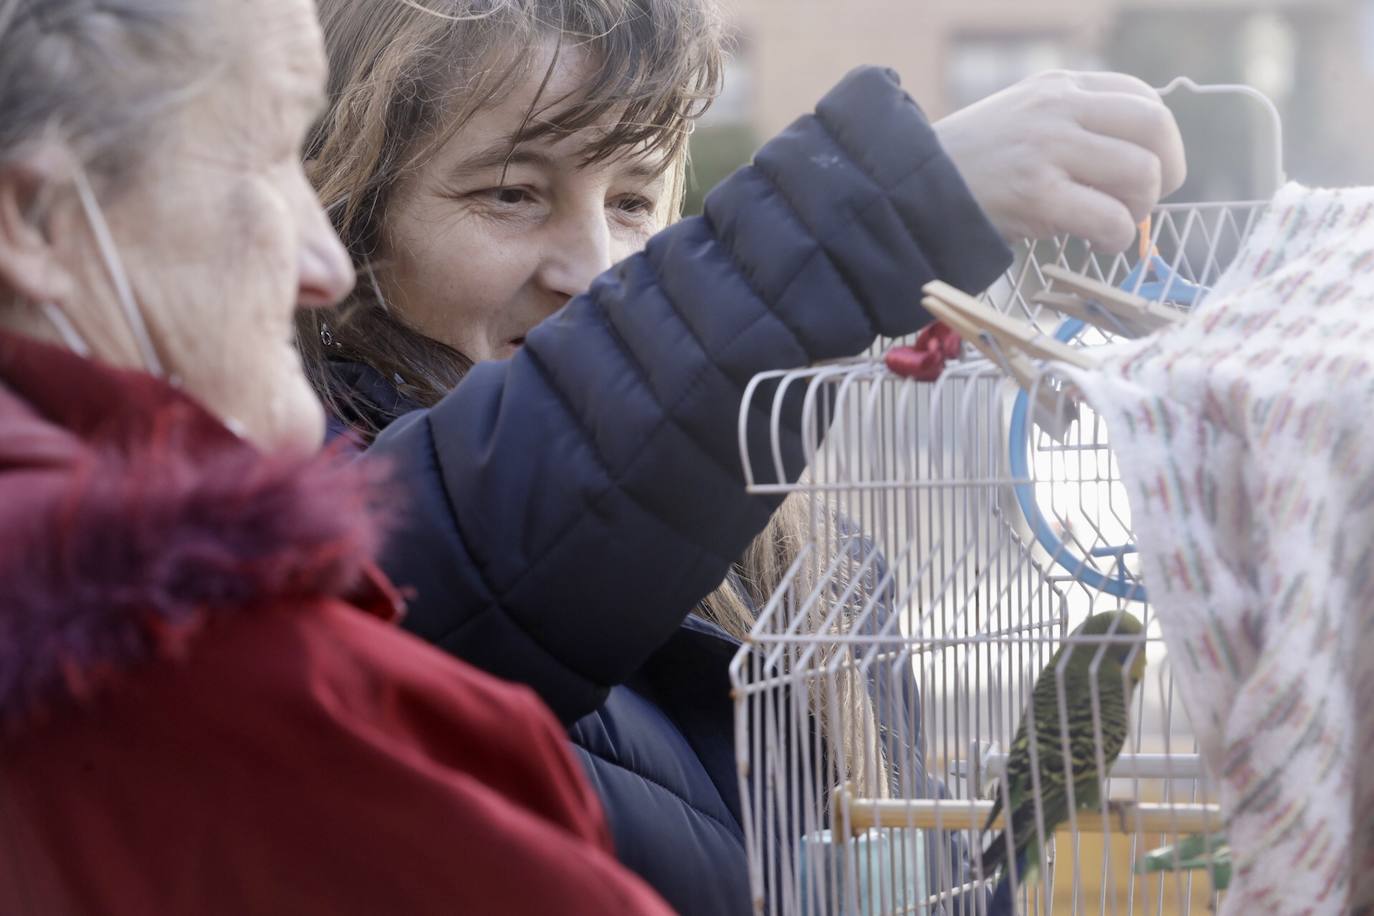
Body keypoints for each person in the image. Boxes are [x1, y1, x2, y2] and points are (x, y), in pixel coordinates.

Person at [298, 1, 1187, 912]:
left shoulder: (821, 576)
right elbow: (475, 540)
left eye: (635, 200)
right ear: (352, 224)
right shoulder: (301, 546)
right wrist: (886, 202)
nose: (595, 267)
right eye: (512, 193)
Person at [0, 0, 678, 912]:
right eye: (266, 157)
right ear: (36, 219)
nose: (324, 262)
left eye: (637, 199)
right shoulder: (202, 670)